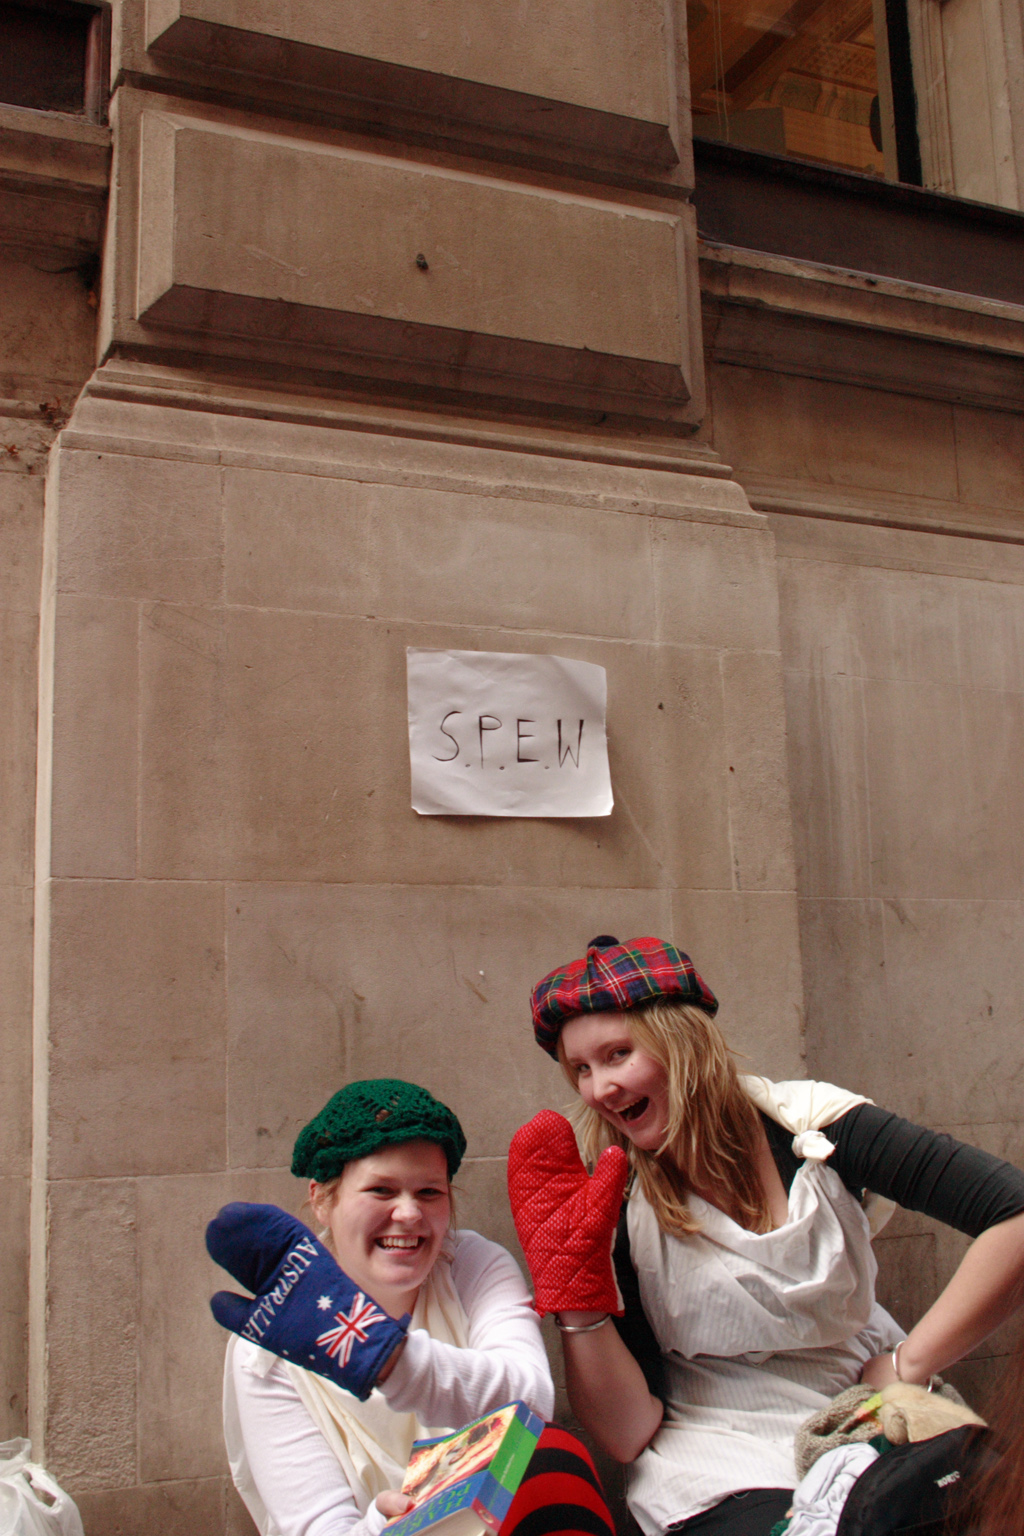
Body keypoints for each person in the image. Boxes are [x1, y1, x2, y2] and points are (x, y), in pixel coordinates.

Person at [506, 936, 1024, 1536]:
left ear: (683, 1039)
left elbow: (1013, 1215)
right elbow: (626, 1434)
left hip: (868, 1404)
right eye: (581, 1070)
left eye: (618, 1054)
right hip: (717, 1449)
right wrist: (575, 1296)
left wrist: (911, 1362)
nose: (599, 1090)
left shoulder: (815, 1125)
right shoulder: (610, 1197)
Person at [207, 1078, 616, 1536]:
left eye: (429, 1193)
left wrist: (387, 1359)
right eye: (381, 1191)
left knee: (551, 1454)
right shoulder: (268, 1344)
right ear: (322, 1199)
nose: (408, 1214)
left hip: (498, 1521)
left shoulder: (472, 1265)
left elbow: (532, 1407)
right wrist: (384, 1524)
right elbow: (318, 1528)